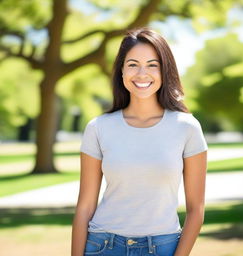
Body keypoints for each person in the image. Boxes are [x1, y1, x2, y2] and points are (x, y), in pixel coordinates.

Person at [71, 27, 208, 256]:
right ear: (121, 72)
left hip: (163, 247)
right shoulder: (98, 127)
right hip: (103, 246)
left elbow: (196, 210)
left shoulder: (187, 127)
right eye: (133, 64)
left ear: (165, 71)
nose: (142, 73)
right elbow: (85, 207)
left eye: (152, 65)